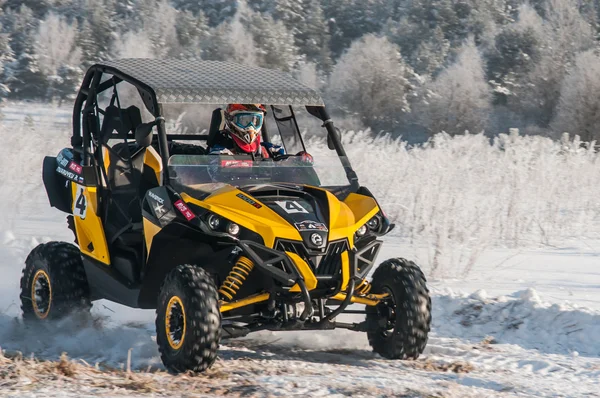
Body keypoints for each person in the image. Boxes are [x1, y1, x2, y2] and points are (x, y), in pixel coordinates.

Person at [208, 104, 285, 158]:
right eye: (244, 120)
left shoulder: (269, 149)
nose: (250, 126)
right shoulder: (220, 151)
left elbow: (289, 162)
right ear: (231, 119)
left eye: (255, 121)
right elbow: (216, 175)